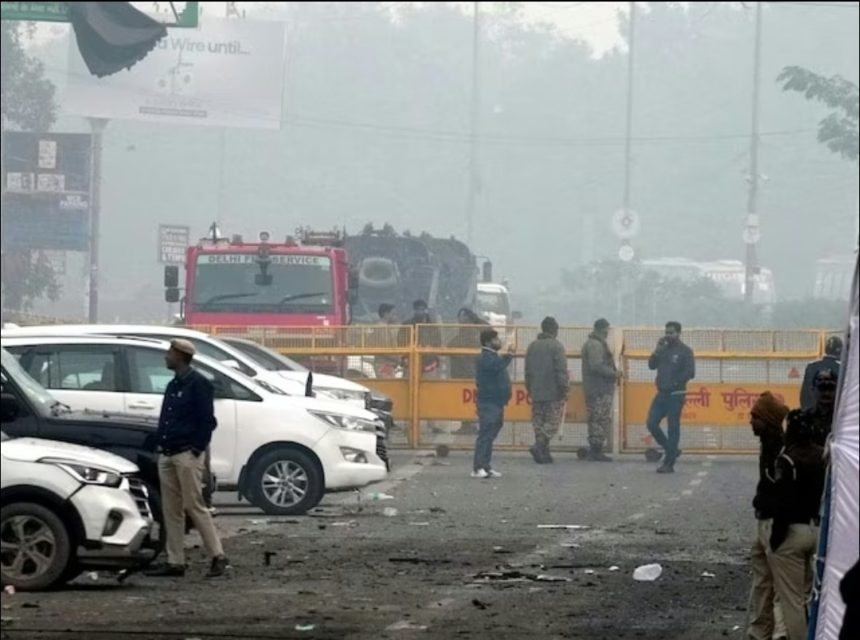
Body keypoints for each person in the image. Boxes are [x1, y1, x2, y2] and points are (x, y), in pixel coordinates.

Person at [145, 339, 229, 578]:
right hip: (168, 453)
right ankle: (175, 561)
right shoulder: (174, 384)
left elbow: (207, 421)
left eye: (169, 353)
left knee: (194, 505)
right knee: (171, 510)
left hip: (186, 454)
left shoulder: (199, 384)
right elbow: (166, 418)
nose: (166, 357)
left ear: (180, 356)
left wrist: (196, 449)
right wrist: (161, 444)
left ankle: (218, 555)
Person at [767, 409, 826, 640]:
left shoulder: (787, 460)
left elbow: (782, 502)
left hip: (792, 532)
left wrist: (775, 540)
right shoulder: (823, 456)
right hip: (816, 530)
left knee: (791, 601)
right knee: (808, 594)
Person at [746, 392, 790, 640]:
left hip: (775, 524)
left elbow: (779, 491)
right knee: (762, 581)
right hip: (764, 521)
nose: (751, 422)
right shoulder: (768, 444)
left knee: (779, 583)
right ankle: (760, 630)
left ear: (769, 420)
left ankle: (778, 633)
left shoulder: (780, 451)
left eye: (756, 417)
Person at [646, 321, 695, 474]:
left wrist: (674, 383)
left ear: (678, 333)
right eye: (666, 332)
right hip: (662, 393)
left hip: (676, 394)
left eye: (671, 333)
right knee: (651, 423)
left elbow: (690, 372)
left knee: (673, 426)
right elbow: (651, 365)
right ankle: (671, 449)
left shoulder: (685, 351)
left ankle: (669, 463)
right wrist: (656, 351)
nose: (668, 335)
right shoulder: (663, 349)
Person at [525, 316, 570, 464]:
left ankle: (543, 452)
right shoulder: (557, 347)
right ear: (555, 330)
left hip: (536, 390)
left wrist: (529, 387)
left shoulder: (532, 346)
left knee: (539, 422)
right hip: (553, 391)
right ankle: (539, 446)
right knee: (552, 422)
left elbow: (527, 371)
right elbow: (561, 371)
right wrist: (564, 389)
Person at [473, 328, 515, 478]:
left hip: (496, 401)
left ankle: (486, 465)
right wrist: (509, 355)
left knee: (490, 434)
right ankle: (478, 467)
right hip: (488, 401)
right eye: (495, 339)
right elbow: (496, 366)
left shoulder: (493, 356)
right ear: (488, 342)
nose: (499, 342)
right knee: (485, 434)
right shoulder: (485, 357)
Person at [581, 318, 622, 462]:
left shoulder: (593, 343)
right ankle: (596, 450)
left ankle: (595, 449)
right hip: (599, 389)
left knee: (596, 419)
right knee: (599, 419)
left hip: (595, 388)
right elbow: (596, 366)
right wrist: (614, 373)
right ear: (603, 329)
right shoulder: (596, 345)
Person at [800, 336, 842, 411]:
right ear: (840, 351)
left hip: (813, 412)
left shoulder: (811, 366)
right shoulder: (842, 368)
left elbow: (805, 393)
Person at [804, 368, 838, 447]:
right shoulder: (803, 419)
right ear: (812, 390)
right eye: (822, 388)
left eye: (831, 388)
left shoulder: (843, 419)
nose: (827, 393)